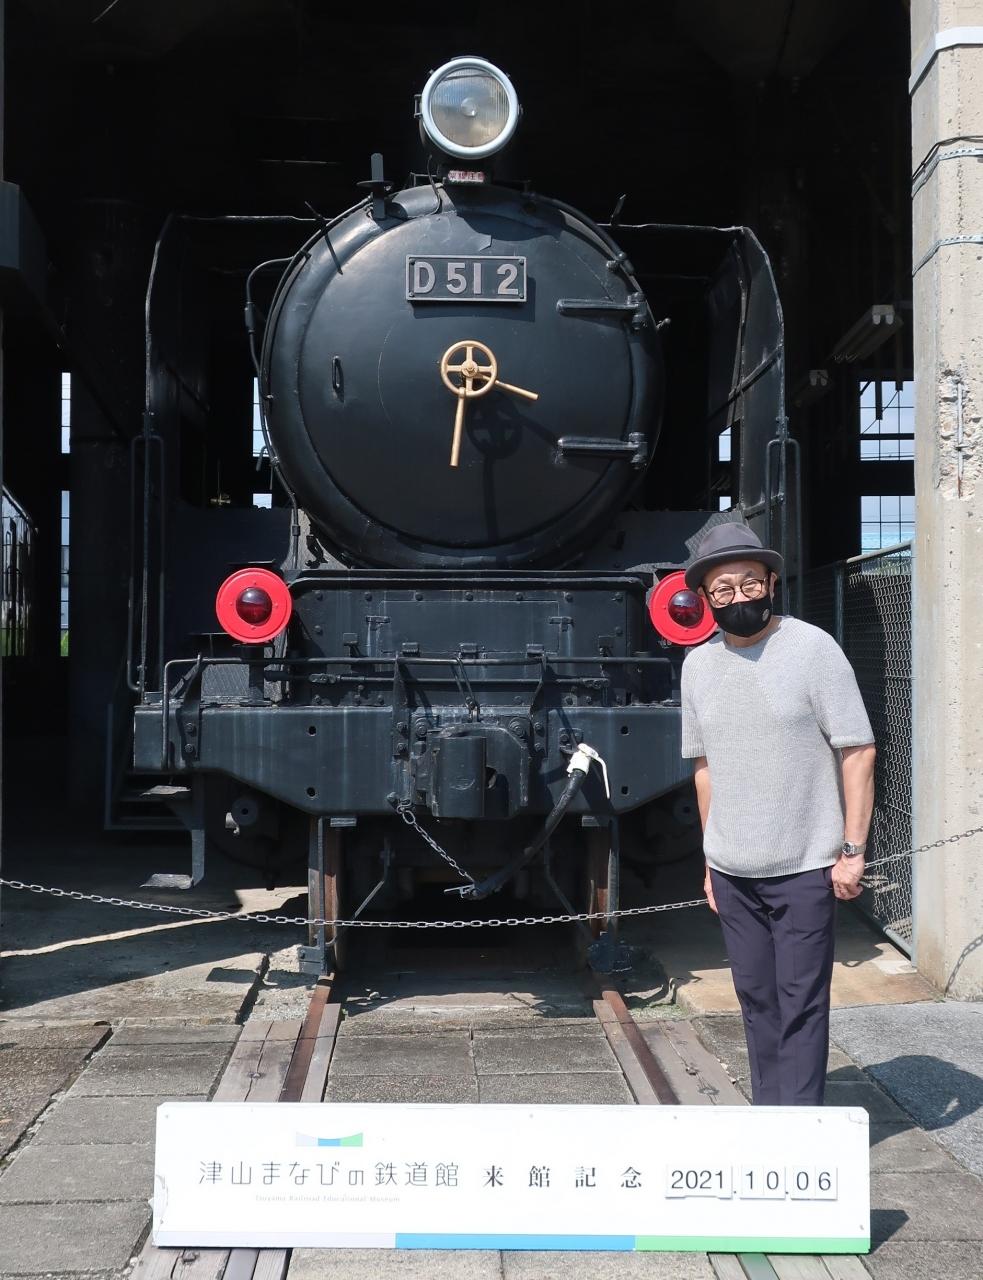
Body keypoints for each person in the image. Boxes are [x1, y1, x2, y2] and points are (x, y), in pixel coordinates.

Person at [680, 523, 876, 1106]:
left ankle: (801, 1126)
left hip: (806, 865)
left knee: (802, 1002)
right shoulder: (697, 666)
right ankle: (771, 1119)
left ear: (769, 583)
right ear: (706, 599)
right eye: (722, 589)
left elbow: (857, 749)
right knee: (756, 1000)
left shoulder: (813, 649)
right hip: (732, 869)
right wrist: (710, 860)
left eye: (749, 583)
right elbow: (705, 768)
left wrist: (852, 850)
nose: (738, 597)